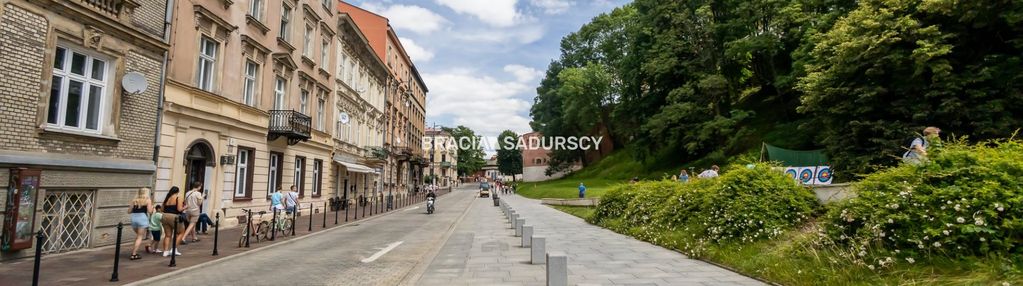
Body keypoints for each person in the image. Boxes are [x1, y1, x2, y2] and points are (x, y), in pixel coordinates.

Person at [127, 187, 153, 260]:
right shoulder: (148, 200)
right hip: (142, 218)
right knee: (140, 237)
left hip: (134, 218)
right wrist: (152, 208)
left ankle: (134, 251)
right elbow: (150, 211)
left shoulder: (134, 200)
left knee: (138, 236)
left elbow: (129, 211)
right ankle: (134, 254)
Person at [160, 186, 186, 257]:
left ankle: (165, 251)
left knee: (168, 235)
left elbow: (162, 209)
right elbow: (179, 209)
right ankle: (173, 249)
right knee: (181, 232)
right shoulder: (178, 197)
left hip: (164, 216)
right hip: (174, 217)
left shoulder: (167, 198)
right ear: (178, 192)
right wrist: (186, 207)